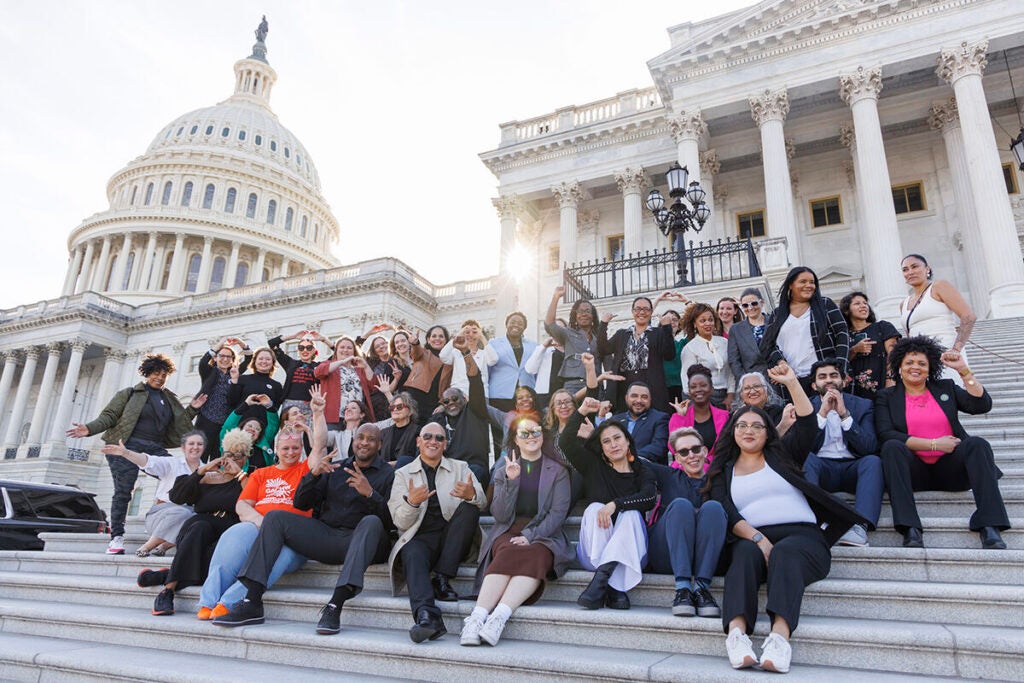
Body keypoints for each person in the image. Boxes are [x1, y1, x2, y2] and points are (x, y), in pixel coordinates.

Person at [707, 362, 866, 673]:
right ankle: (737, 634)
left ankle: (779, 638)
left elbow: (807, 423)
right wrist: (758, 538)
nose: (749, 430)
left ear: (769, 433)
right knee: (742, 555)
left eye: (756, 426)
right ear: (733, 432)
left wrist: (793, 382)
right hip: (752, 537)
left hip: (803, 538)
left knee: (787, 552)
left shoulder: (782, 455)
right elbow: (724, 508)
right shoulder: (723, 471)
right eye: (742, 425)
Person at [214, 403, 395, 633]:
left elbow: (391, 522)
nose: (364, 442)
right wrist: (313, 475)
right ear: (353, 441)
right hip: (328, 536)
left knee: (371, 522)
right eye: (361, 437)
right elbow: (301, 503)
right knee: (276, 517)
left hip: (363, 541)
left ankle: (335, 604)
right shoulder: (334, 468)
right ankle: (252, 600)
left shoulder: (389, 474)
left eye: (371, 439)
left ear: (379, 445)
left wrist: (370, 494)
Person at [875, 335, 1009, 549]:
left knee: (978, 444)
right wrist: (934, 444)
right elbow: (886, 434)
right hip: (913, 472)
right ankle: (910, 528)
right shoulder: (886, 396)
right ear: (899, 366)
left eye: (922, 363)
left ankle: (990, 525)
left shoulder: (945, 388)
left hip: (950, 469)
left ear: (931, 368)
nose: (915, 367)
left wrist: (964, 371)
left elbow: (981, 405)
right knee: (892, 448)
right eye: (909, 362)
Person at [66, 352, 205, 555]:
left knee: (178, 475)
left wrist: (192, 409)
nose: (159, 378)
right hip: (124, 446)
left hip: (154, 446)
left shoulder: (169, 399)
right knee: (124, 491)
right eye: (155, 373)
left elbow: (180, 422)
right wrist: (89, 429)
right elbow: (110, 416)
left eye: (163, 374)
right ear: (147, 373)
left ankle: (165, 523)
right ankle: (116, 537)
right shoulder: (129, 393)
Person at [460, 414, 573, 646]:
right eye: (524, 433)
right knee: (508, 550)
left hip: (544, 532)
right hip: (509, 528)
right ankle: (477, 618)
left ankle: (499, 618)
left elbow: (557, 514)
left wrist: (530, 536)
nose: (531, 436)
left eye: (535, 431)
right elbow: (500, 515)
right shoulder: (504, 470)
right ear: (516, 440)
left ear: (543, 436)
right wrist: (511, 482)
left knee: (536, 553)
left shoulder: (558, 471)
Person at [198, 426, 317, 621]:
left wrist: (317, 415)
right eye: (285, 448)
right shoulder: (261, 474)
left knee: (279, 556)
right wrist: (264, 523)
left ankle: (228, 602)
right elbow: (243, 505)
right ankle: (208, 601)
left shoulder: (305, 469)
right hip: (260, 526)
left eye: (295, 448)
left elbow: (319, 448)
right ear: (276, 448)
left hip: (293, 538)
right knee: (233, 535)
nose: (290, 453)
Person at [388, 421, 487, 643]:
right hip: (420, 537)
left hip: (453, 536)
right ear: (418, 442)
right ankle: (426, 617)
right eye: (428, 437)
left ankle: (442, 577)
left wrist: (472, 494)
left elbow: (482, 501)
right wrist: (412, 503)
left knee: (469, 509)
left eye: (439, 438)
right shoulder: (403, 474)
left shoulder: (460, 467)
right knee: (411, 551)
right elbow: (399, 521)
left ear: (445, 444)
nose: (433, 441)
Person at [136, 429, 252, 616]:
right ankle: (168, 591)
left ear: (246, 458)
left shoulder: (248, 479)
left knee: (214, 564)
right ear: (222, 455)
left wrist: (239, 474)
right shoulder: (205, 478)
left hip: (228, 528)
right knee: (200, 527)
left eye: (239, 456)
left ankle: (164, 575)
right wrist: (201, 471)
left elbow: (252, 497)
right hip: (199, 527)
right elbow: (177, 496)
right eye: (229, 455)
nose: (232, 460)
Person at [559, 396, 657, 611]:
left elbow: (649, 498)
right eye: (606, 441)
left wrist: (616, 504)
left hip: (632, 554)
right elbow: (564, 442)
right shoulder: (593, 466)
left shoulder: (642, 470)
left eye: (617, 438)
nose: (613, 445)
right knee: (594, 508)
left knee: (631, 514)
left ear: (628, 440)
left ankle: (602, 582)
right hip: (593, 553)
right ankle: (614, 588)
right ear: (600, 447)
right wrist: (582, 411)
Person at [646, 427, 727, 618]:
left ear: (705, 451)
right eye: (683, 452)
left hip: (709, 558)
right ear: (677, 459)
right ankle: (682, 589)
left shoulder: (720, 479)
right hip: (668, 555)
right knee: (681, 505)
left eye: (696, 449)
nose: (691, 455)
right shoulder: (667, 476)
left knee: (714, 508)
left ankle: (701, 589)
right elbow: (629, 457)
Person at [803, 359, 883, 547]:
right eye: (822, 377)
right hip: (821, 468)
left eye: (834, 375)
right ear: (814, 385)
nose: (829, 380)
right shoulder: (805, 406)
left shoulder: (863, 406)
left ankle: (860, 526)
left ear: (844, 381)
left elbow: (869, 446)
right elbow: (803, 447)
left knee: (873, 461)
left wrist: (844, 415)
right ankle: (812, 523)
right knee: (806, 459)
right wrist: (821, 414)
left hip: (852, 468)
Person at [99, 431, 205, 557]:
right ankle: (148, 546)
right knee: (184, 513)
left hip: (188, 514)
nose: (195, 447)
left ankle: (164, 545)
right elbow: (147, 461)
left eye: (200, 444)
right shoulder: (172, 463)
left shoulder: (207, 470)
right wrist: (126, 453)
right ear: (183, 447)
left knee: (199, 519)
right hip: (162, 515)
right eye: (191, 443)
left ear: (204, 448)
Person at [760, 267, 849, 398]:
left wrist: (840, 368)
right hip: (792, 380)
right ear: (791, 285)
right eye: (803, 281)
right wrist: (780, 362)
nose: (809, 285)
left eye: (812, 282)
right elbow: (767, 345)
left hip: (823, 378)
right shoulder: (777, 314)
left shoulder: (825, 304)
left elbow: (842, 334)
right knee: (799, 417)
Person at [598, 291, 685, 413]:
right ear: (633, 312)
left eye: (646, 309)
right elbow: (603, 349)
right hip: (625, 387)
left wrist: (666, 328)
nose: (642, 312)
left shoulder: (658, 333)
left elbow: (669, 355)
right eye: (638, 309)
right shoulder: (622, 334)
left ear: (651, 312)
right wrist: (603, 324)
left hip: (652, 388)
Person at [898, 254, 976, 386]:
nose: (910, 272)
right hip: (920, 360)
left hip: (946, 354)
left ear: (927, 269)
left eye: (914, 266)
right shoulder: (904, 303)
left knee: (951, 396)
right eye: (905, 269)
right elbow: (909, 335)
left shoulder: (939, 286)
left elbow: (968, 316)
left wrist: (956, 349)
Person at [427, 332, 491, 486]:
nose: (451, 403)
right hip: (445, 471)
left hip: (472, 469)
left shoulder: (475, 411)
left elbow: (475, 379)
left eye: (455, 399)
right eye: (446, 401)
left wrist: (465, 352)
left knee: (473, 472)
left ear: (465, 399)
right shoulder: (438, 420)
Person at [195, 338, 251, 461]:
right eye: (222, 356)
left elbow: (249, 359)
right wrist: (221, 342)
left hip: (224, 424)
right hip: (206, 420)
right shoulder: (209, 371)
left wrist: (241, 343)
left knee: (218, 458)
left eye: (229, 357)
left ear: (232, 360)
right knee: (200, 456)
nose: (225, 359)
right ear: (215, 358)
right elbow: (204, 361)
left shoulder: (234, 372)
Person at [841, 292, 900, 401]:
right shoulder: (843, 335)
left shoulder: (882, 327)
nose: (863, 306)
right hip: (854, 390)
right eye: (857, 303)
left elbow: (893, 354)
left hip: (883, 382)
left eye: (865, 303)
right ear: (846, 310)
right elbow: (841, 361)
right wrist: (855, 349)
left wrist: (890, 378)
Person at [545, 286, 601, 396]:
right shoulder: (567, 333)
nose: (584, 314)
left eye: (587, 311)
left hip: (595, 384)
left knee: (593, 413)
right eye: (580, 311)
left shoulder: (599, 337)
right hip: (573, 385)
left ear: (593, 316)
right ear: (575, 316)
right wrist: (556, 297)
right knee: (572, 412)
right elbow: (549, 324)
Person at [668, 365, 730, 460]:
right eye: (693, 387)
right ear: (689, 391)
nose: (698, 389)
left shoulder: (724, 416)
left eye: (703, 385)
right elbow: (674, 448)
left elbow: (727, 448)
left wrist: (707, 462)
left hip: (717, 467)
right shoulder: (678, 417)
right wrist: (681, 417)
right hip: (687, 467)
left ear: (712, 389)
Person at [315, 335, 378, 429]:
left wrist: (366, 366)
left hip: (356, 418)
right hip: (334, 417)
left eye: (349, 348)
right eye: (342, 347)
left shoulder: (359, 369)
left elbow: (374, 386)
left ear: (354, 351)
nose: (345, 350)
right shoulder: (329, 364)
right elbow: (318, 372)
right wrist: (342, 362)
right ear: (336, 350)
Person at [680, 302, 734, 408]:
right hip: (703, 398)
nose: (708, 323)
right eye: (702, 321)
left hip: (726, 396)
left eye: (710, 319)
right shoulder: (690, 348)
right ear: (695, 324)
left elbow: (731, 371)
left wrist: (730, 396)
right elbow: (686, 379)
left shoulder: (724, 342)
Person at [268, 328, 328, 423]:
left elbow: (337, 355)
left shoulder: (319, 366)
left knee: (308, 435)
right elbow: (272, 343)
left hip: (310, 405)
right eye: (301, 348)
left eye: (309, 348)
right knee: (289, 434)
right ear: (298, 350)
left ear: (314, 351)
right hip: (290, 404)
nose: (305, 350)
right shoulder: (290, 363)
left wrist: (323, 339)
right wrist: (294, 336)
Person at [484, 311, 538, 412]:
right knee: (501, 426)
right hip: (500, 394)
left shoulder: (534, 346)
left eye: (520, 323)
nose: (516, 325)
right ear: (506, 324)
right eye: (512, 322)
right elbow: (487, 370)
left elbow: (536, 371)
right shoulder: (493, 343)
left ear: (524, 328)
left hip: (526, 395)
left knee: (527, 425)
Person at [607, 382, 670, 465]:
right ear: (626, 398)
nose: (639, 400)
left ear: (650, 400)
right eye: (634, 396)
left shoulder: (660, 418)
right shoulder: (615, 420)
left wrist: (628, 457)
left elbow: (659, 447)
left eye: (644, 397)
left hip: (646, 470)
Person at [405, 325, 453, 423]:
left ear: (446, 340)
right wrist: (415, 343)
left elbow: (449, 386)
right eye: (434, 336)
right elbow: (416, 352)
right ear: (428, 339)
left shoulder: (450, 362)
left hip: (434, 405)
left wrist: (444, 404)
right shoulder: (423, 352)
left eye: (441, 336)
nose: (437, 339)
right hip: (414, 398)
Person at [728, 287, 769, 386]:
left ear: (762, 302)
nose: (750, 308)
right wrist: (745, 381)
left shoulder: (774, 321)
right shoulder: (736, 329)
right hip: (751, 384)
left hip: (777, 379)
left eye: (754, 303)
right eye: (745, 305)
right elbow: (734, 361)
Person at [439, 319, 490, 398]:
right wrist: (459, 334)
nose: (471, 335)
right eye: (467, 332)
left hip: (480, 394)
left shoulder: (484, 353)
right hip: (459, 394)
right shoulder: (456, 352)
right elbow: (443, 356)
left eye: (474, 332)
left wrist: (482, 337)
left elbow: (493, 360)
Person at [381, 391, 421, 465]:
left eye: (399, 407)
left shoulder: (419, 432)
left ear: (410, 411)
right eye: (392, 407)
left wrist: (394, 464)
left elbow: (418, 459)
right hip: (385, 474)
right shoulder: (383, 433)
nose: (395, 410)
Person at [524, 335, 563, 409]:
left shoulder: (571, 349)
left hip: (565, 393)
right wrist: (543, 346)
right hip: (545, 395)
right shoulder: (545, 349)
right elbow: (530, 369)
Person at [660, 308, 687, 404]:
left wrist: (686, 301)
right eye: (668, 319)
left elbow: (695, 318)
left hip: (681, 387)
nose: (671, 322)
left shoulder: (682, 343)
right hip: (662, 388)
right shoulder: (657, 342)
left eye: (674, 320)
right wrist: (658, 299)